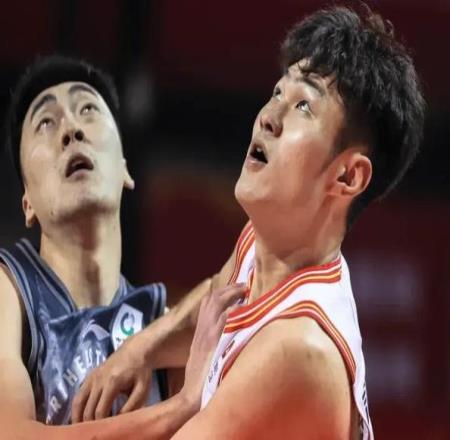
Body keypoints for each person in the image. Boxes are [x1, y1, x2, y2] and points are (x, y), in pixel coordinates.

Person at [81, 5, 425, 439]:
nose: (269, 116)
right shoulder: (268, 243)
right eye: (278, 92)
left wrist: (186, 402)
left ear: (348, 176)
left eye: (303, 105)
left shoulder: (298, 348)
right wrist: (139, 350)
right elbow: (218, 297)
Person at [0, 55, 245, 438]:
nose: (71, 130)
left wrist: (141, 349)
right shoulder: (11, 292)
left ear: (125, 169)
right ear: (27, 202)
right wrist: (179, 408)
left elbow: (243, 279)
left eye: (88, 110)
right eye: (46, 123)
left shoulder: (157, 327)